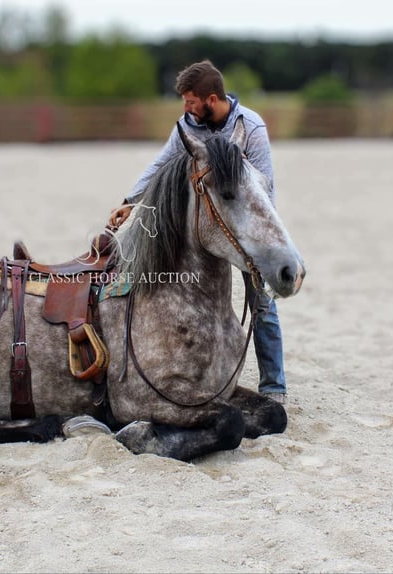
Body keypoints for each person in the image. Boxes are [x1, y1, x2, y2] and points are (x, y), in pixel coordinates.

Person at [108, 59, 288, 404]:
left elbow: (264, 189)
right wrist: (130, 201)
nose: (186, 108)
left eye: (191, 101)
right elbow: (160, 165)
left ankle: (274, 386)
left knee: (261, 303)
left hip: (244, 225)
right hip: (202, 225)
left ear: (211, 98)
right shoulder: (187, 126)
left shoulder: (250, 127)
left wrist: (263, 243)